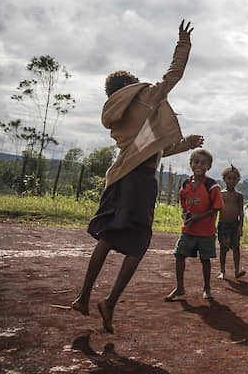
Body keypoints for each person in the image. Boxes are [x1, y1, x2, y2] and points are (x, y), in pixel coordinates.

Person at [71, 20, 204, 333]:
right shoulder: (147, 98)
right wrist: (183, 44)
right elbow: (174, 75)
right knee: (139, 242)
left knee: (107, 235)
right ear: (132, 87)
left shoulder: (117, 119)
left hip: (118, 177)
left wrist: (185, 145)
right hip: (140, 181)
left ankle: (83, 296)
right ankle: (111, 302)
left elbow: (150, 150)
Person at [165, 149, 224, 301]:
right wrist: (185, 215)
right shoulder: (185, 183)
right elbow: (184, 204)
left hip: (206, 232)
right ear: (190, 164)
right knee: (179, 255)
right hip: (188, 229)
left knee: (205, 260)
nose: (199, 165)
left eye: (203, 163)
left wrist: (199, 217)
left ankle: (207, 287)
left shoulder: (212, 185)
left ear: (209, 167)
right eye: (196, 162)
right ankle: (179, 287)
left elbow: (217, 207)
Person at [217, 164, 246, 280]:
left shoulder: (239, 195)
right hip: (223, 225)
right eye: (229, 178)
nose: (232, 181)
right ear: (224, 179)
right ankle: (222, 271)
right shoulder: (221, 194)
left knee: (236, 248)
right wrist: (213, 225)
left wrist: (240, 226)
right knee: (223, 248)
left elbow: (241, 212)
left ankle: (236, 270)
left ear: (238, 180)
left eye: (234, 179)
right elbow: (216, 210)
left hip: (234, 224)